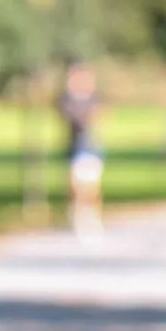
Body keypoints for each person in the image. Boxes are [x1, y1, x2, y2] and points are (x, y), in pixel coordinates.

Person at [57, 62, 106, 234]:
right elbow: (68, 115)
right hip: (75, 148)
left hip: (91, 148)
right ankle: (77, 216)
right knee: (75, 187)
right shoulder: (66, 99)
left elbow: (96, 116)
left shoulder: (94, 98)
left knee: (93, 188)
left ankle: (94, 216)